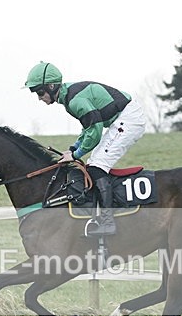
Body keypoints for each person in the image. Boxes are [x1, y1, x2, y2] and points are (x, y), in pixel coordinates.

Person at [25, 61, 146, 236]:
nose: (39, 97)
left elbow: (95, 131)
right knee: (93, 164)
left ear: (51, 86)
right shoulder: (69, 97)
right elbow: (88, 128)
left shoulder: (74, 100)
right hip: (125, 117)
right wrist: (73, 148)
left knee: (97, 166)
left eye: (40, 92)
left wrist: (76, 154)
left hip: (129, 119)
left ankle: (108, 222)